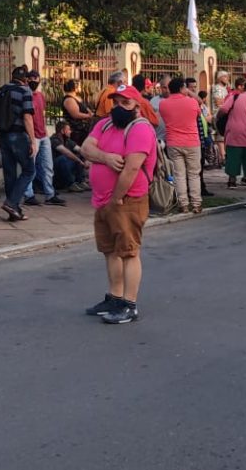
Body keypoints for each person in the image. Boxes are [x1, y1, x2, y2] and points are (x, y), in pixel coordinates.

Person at [80, 84, 156, 325]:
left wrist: (117, 198)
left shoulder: (140, 129)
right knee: (110, 250)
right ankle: (114, 297)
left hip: (126, 199)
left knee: (128, 251)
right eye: (116, 102)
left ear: (136, 105)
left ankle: (129, 304)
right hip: (103, 199)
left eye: (125, 102)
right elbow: (85, 148)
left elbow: (132, 167)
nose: (119, 107)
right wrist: (106, 157)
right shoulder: (104, 124)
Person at [0, 66, 40, 222]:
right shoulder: (24, 91)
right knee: (29, 170)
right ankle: (12, 203)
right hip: (18, 136)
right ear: (25, 79)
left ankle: (14, 210)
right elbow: (27, 117)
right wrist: (33, 141)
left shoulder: (1, 90)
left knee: (9, 173)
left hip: (3, 136)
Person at [161, 77, 204, 214]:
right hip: (192, 142)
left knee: (179, 175)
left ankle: (183, 204)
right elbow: (200, 106)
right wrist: (189, 93)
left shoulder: (163, 104)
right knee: (193, 174)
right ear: (181, 88)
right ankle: (196, 204)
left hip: (173, 142)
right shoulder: (192, 102)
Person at [24, 68, 64, 206]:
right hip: (32, 135)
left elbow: (42, 114)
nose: (33, 81)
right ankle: (28, 194)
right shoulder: (25, 95)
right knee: (30, 166)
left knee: (47, 165)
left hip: (43, 134)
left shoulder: (40, 96)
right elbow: (26, 117)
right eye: (31, 79)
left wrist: (45, 131)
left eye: (36, 79)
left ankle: (50, 194)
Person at [220, 78, 246, 189]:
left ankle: (232, 180)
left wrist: (218, 119)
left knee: (233, 156)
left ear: (244, 88)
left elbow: (223, 109)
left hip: (234, 133)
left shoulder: (235, 97)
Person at [52, 119, 87, 193]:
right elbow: (65, 152)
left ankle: (80, 182)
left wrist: (90, 158)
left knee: (78, 155)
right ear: (62, 131)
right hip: (55, 173)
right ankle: (70, 184)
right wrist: (79, 160)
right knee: (64, 158)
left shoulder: (68, 140)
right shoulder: (54, 139)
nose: (70, 131)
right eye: (68, 129)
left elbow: (80, 150)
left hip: (64, 170)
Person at [62, 79, 93, 148]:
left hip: (83, 129)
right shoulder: (69, 99)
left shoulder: (77, 98)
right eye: (78, 85)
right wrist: (88, 116)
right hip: (75, 129)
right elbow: (75, 114)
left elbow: (85, 108)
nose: (80, 87)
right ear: (74, 87)